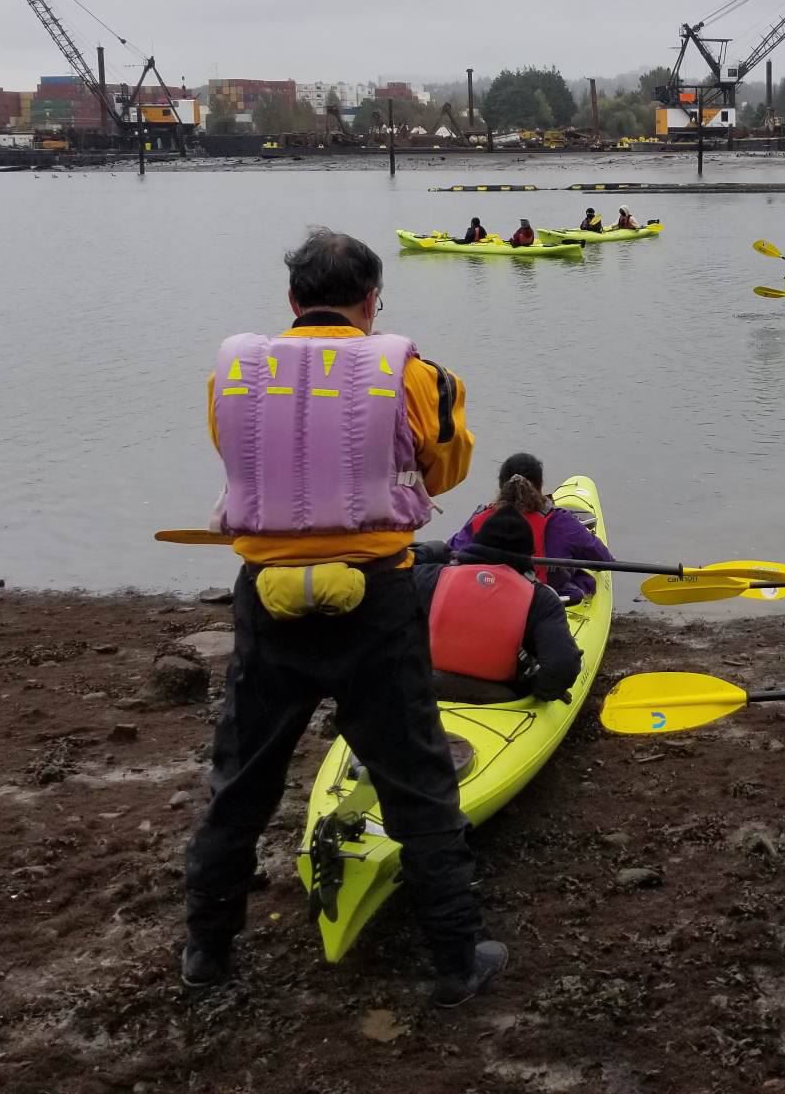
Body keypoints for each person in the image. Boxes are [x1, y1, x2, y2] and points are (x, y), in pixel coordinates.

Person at [182, 228, 506, 1006]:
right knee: (419, 782)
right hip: (376, 596)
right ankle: (456, 963)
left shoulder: (234, 372)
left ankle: (206, 955)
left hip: (267, 597)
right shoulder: (414, 373)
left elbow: (233, 453)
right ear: (371, 301)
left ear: (292, 301)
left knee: (241, 783)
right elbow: (447, 467)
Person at [415, 510, 581, 701]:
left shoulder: (429, 575)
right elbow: (562, 665)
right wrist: (540, 690)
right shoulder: (541, 599)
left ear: (475, 544)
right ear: (527, 555)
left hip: (426, 684)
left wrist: (422, 555)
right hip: (498, 698)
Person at [447, 453, 614, 605]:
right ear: (540, 487)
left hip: (485, 593)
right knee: (582, 580)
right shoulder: (561, 522)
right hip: (541, 599)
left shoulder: (480, 517)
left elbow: (449, 554)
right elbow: (603, 560)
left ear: (501, 486)